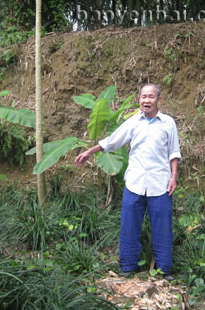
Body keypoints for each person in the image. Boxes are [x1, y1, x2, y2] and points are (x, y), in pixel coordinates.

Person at [74, 83, 181, 280]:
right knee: (129, 226)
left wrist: (174, 176)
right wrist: (89, 152)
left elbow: (174, 153)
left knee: (163, 228)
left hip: (161, 184)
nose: (146, 100)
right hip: (135, 183)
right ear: (139, 99)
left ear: (158, 100)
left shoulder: (168, 123)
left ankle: (164, 269)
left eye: (150, 97)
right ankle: (128, 266)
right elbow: (112, 141)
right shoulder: (133, 122)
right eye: (143, 97)